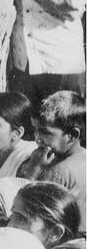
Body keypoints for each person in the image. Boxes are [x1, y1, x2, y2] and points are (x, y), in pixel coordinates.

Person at [20, 90, 85, 225]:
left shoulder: (56, 171)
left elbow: (30, 209)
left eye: (45, 132)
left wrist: (33, 170)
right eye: (35, 130)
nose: (37, 139)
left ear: (73, 135)